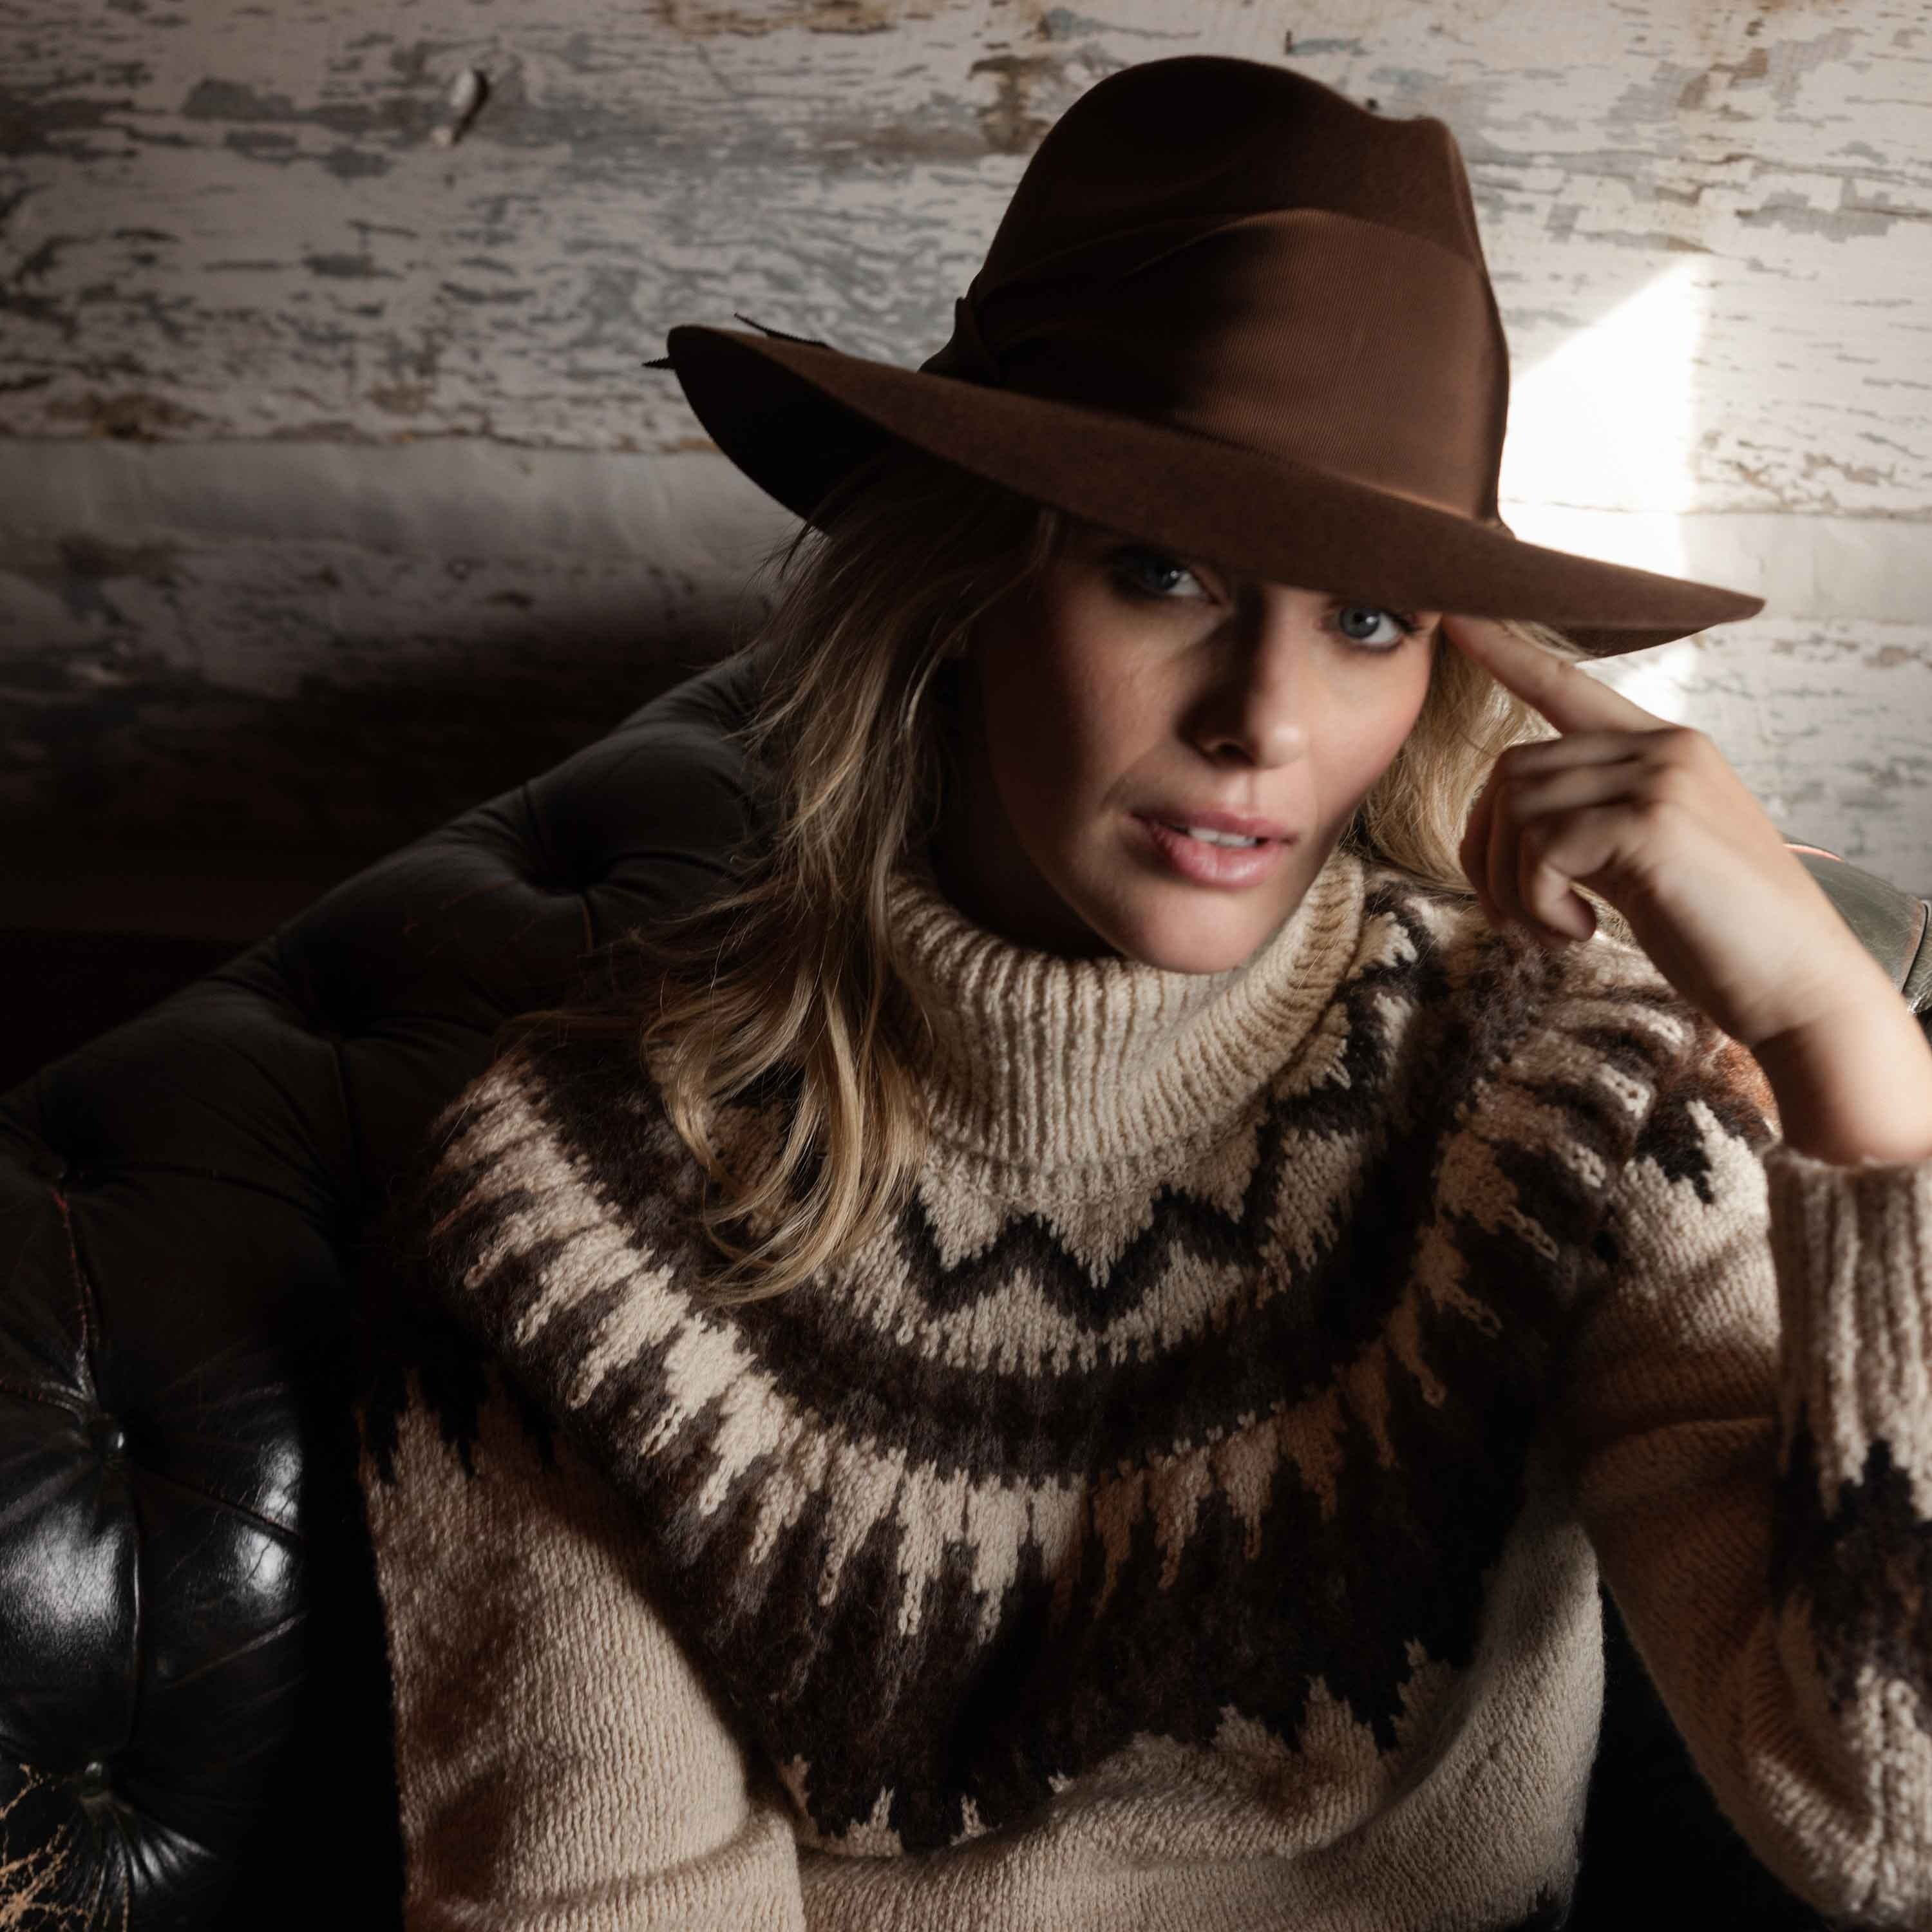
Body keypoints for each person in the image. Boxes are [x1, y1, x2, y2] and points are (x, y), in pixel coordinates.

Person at [348, 53, 1932, 1931]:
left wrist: (1848, 1052)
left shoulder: (1565, 1105)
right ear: (961, 589)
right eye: (1161, 572)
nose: (1264, 719)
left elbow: (1897, 1829)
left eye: (1365, 620)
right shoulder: (571, 1205)